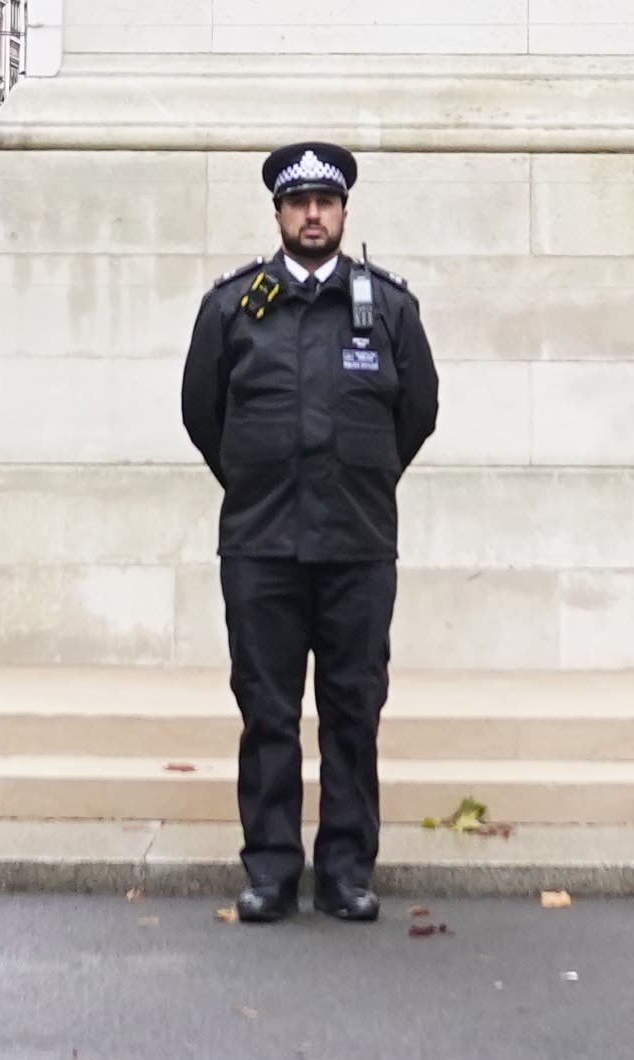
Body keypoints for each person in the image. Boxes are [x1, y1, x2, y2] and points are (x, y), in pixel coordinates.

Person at [178, 141, 440, 926]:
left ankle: (347, 872)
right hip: (262, 547)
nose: (314, 215)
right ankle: (269, 870)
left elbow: (417, 413)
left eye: (326, 203)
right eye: (300, 205)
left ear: (344, 212)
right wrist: (259, 482)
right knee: (267, 711)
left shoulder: (387, 307)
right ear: (280, 215)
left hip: (357, 545)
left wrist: (360, 480)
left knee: (354, 710)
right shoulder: (233, 307)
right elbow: (203, 415)